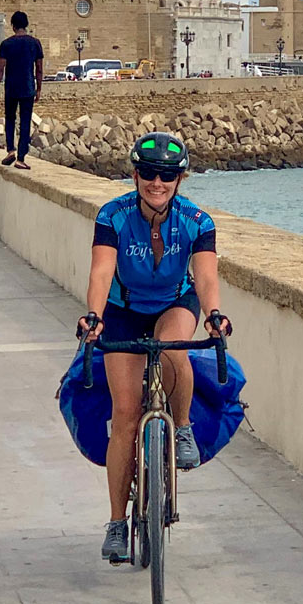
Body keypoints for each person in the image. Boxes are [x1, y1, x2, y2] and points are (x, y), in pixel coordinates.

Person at [77, 131, 232, 565]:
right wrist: (93, 315)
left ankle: (181, 427)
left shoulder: (198, 222)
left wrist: (214, 313)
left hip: (173, 303)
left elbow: (204, 279)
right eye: (148, 173)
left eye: (167, 175)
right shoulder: (113, 216)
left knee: (172, 347)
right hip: (123, 308)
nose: (157, 182)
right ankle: (115, 523)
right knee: (125, 414)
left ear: (180, 179)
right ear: (135, 175)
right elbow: (102, 271)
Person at [0, 10, 43, 170]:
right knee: (25, 121)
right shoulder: (35, 43)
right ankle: (21, 158)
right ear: (26, 25)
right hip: (28, 87)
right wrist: (39, 88)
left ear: (13, 26)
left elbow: (0, 69)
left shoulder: (6, 44)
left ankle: (10, 150)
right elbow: (39, 68)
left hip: (11, 88)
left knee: (10, 119)